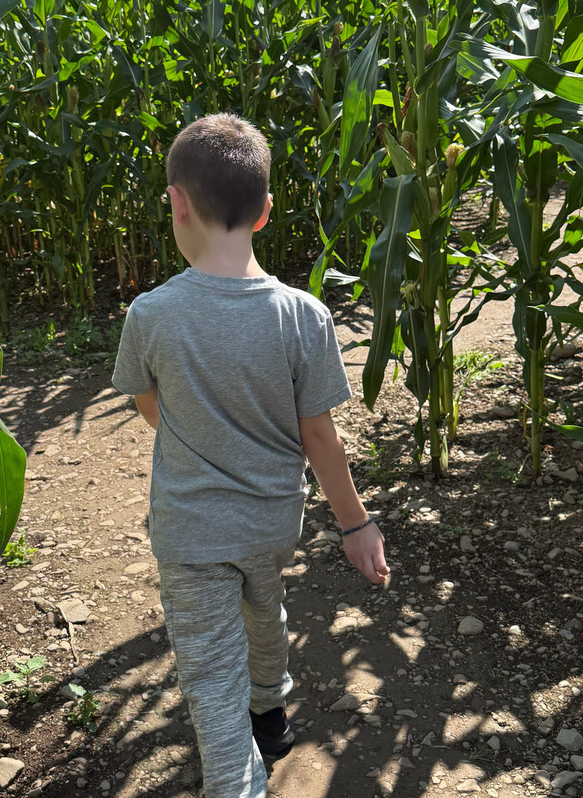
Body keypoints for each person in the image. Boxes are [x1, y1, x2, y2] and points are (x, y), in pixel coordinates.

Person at [111, 112, 389, 798]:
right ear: (265, 212)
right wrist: (357, 525)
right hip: (273, 526)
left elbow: (149, 408)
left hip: (191, 533)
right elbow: (319, 436)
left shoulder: (152, 314)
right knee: (265, 608)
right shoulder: (303, 314)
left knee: (210, 680)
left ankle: (237, 783)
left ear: (177, 202)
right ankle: (271, 706)